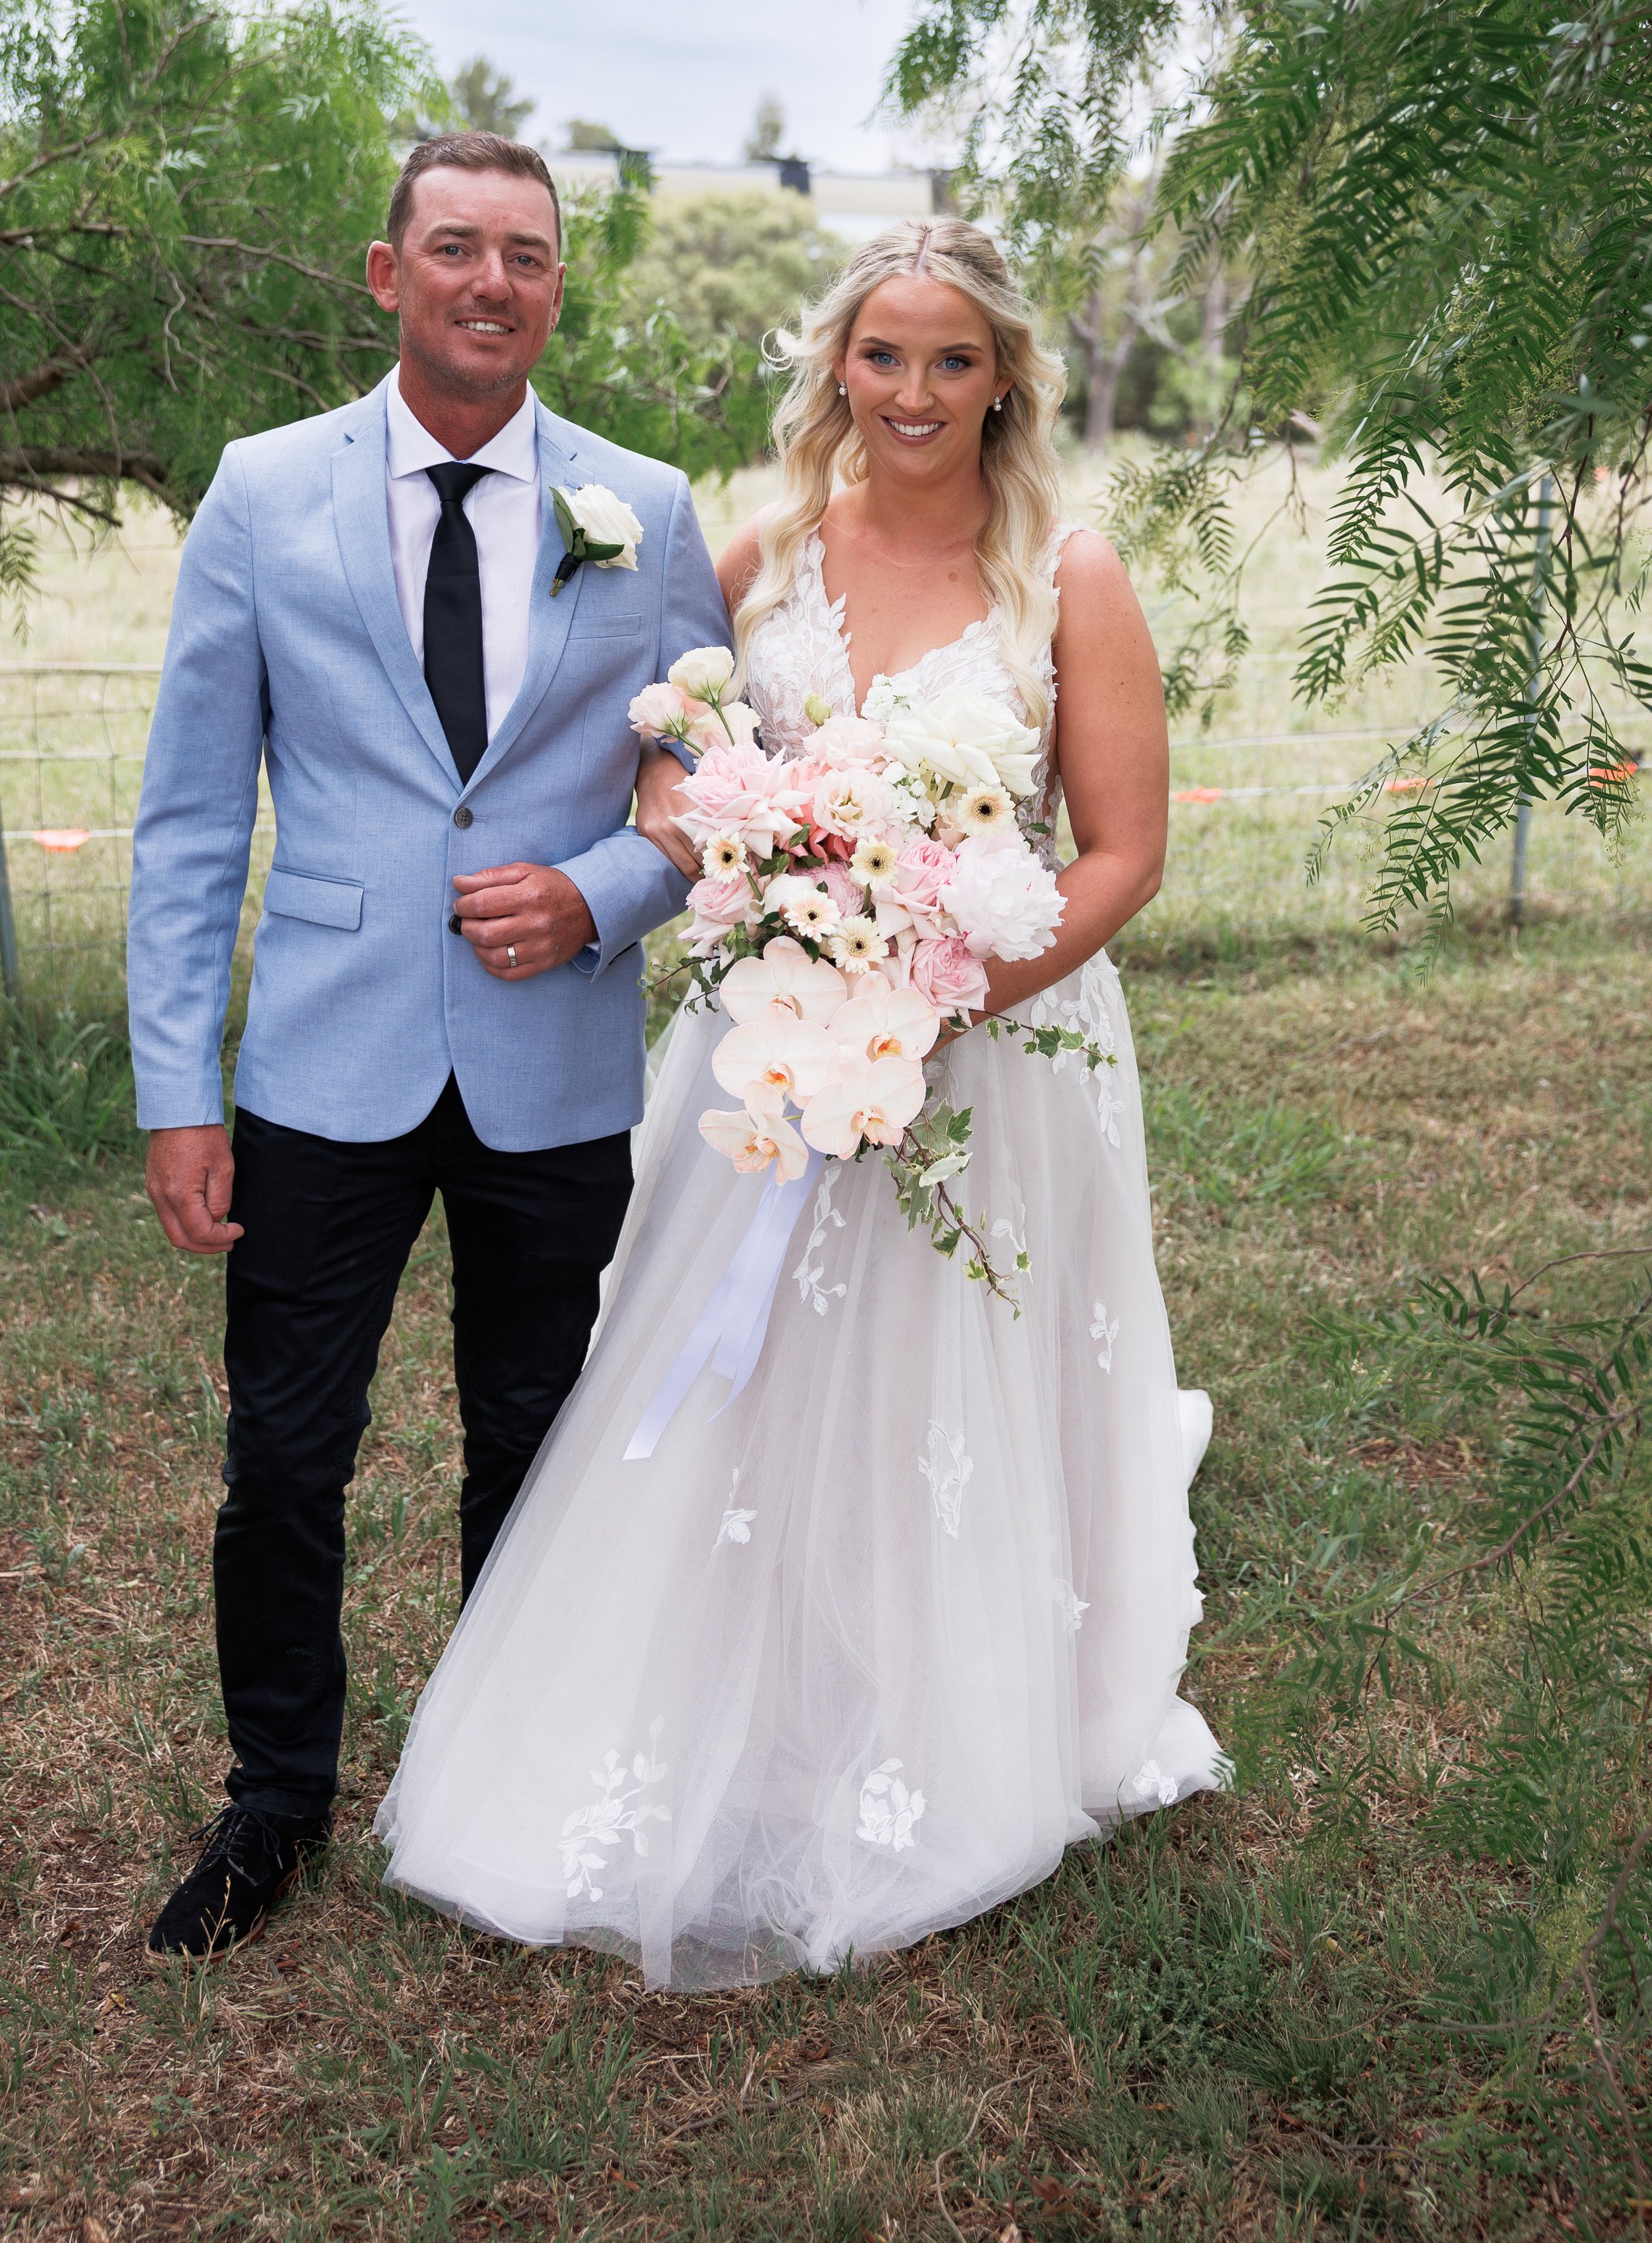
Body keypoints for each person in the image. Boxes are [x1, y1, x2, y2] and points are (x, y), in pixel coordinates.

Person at [377, 217, 1226, 1990]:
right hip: (764, 1050)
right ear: (835, 364)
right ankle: (725, 1698)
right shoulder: (752, 559)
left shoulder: (1061, 577)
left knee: (948, 1378)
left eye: (952, 361)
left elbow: (1124, 852)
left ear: (1003, 380)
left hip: (991, 1056)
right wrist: (750, 885)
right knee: (728, 1385)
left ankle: (958, 1708)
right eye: (882, 355)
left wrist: (937, 994)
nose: (912, 393)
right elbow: (673, 764)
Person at [127, 131, 727, 1961]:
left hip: (550, 1064)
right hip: (323, 1059)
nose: (491, 282)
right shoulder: (260, 490)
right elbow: (187, 820)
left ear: (557, 286)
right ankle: (275, 1804)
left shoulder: (643, 506)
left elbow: (704, 776)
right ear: (388, 276)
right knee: (287, 1453)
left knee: (531, 1440)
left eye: (525, 256)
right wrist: (178, 1093)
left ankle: (502, 1785)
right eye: (454, 249)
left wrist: (603, 892)